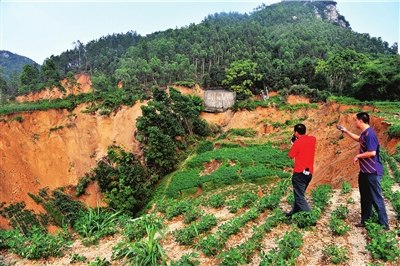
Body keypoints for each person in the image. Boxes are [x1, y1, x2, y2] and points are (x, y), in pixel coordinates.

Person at [339, 112, 389, 230]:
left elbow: (372, 152)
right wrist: (346, 131)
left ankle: (384, 224)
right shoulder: (365, 133)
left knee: (376, 197)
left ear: (361, 121)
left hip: (372, 171)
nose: (355, 122)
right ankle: (365, 220)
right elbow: (359, 139)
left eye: (356, 120)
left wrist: (358, 156)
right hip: (365, 171)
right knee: (365, 197)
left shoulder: (370, 134)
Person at [286, 123, 316, 217]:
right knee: (299, 194)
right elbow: (308, 139)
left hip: (299, 173)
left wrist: (294, 143)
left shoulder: (297, 143)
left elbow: (290, 155)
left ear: (296, 132)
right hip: (309, 173)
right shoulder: (312, 139)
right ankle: (293, 213)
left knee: (299, 197)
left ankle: (310, 217)